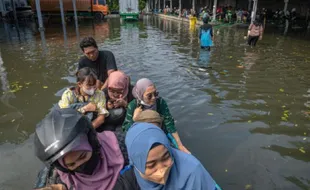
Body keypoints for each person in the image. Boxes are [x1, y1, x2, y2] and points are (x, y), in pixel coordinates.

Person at [33, 108, 139, 190]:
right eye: (71, 165)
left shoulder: (120, 146)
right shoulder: (65, 180)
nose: (80, 166)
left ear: (92, 142)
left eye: (82, 156)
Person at [125, 122, 222, 190]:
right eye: (151, 165)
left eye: (166, 157)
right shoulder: (129, 178)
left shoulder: (192, 172)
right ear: (136, 164)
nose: (162, 170)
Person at [122, 78, 190, 154]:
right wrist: (135, 119)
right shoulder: (133, 105)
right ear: (141, 95)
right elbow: (125, 128)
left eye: (155, 94)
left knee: (177, 151)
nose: (154, 98)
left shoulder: (160, 102)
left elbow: (169, 123)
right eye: (149, 96)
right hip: (142, 134)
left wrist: (180, 145)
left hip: (160, 130)